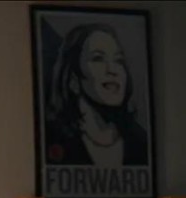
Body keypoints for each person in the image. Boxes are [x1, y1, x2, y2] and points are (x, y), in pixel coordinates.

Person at [44, 23, 148, 167]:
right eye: (98, 59)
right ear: (73, 80)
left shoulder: (140, 142)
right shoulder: (53, 139)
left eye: (118, 60)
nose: (112, 69)